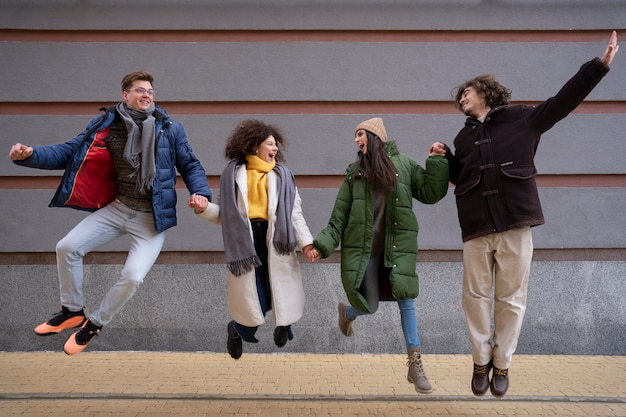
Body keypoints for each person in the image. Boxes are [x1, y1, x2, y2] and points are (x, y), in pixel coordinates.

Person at [442, 31, 619, 397]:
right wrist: (445, 158)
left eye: (467, 92)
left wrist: (597, 68)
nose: (461, 98)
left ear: (486, 93)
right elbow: (460, 179)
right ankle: (480, 360)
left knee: (511, 299)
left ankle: (502, 363)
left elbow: (562, 102)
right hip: (476, 229)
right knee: (473, 298)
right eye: (459, 96)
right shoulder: (462, 138)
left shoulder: (523, 119)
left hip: (515, 226)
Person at [9, 71, 212, 355]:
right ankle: (72, 311)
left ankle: (93, 324)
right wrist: (30, 155)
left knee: (132, 276)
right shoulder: (105, 124)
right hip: (118, 207)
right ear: (125, 95)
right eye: (140, 90)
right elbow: (69, 152)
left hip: (151, 219)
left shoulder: (169, 128)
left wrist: (200, 192)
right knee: (67, 247)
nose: (147, 96)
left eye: (150, 92)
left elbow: (190, 165)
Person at [306, 117, 449, 394]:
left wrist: (436, 162)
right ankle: (347, 312)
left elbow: (431, 193)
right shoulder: (355, 173)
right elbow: (338, 219)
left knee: (406, 301)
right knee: (369, 305)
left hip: (399, 250)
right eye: (355, 135)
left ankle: (415, 364)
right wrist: (319, 246)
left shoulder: (405, 165)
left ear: (374, 137)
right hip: (365, 253)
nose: (356, 139)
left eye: (360, 134)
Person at [188, 119, 315, 359]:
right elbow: (225, 217)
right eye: (270, 144)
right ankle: (237, 329)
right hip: (246, 242)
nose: (275, 149)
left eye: (276, 144)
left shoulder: (283, 176)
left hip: (276, 238)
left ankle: (284, 326)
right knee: (258, 296)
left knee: (279, 288)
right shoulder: (232, 176)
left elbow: (294, 214)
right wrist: (201, 208)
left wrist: (307, 244)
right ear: (255, 146)